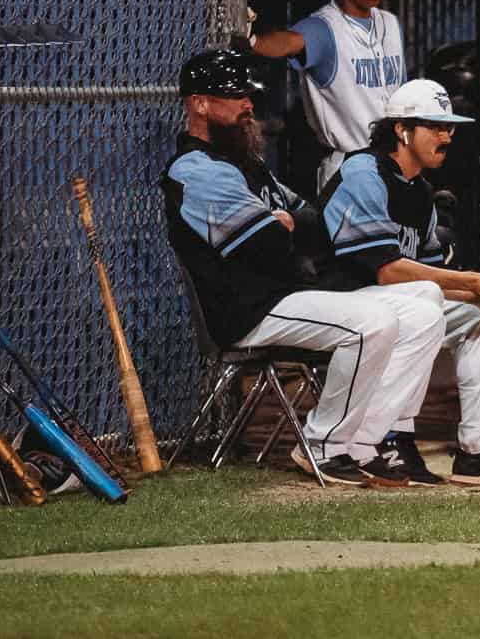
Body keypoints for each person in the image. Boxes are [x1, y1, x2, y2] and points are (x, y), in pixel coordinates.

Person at [161, 49, 445, 489]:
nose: (248, 105)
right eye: (235, 96)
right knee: (373, 322)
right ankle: (323, 445)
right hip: (248, 312)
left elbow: (316, 227)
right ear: (199, 103)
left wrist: (282, 223)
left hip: (290, 298)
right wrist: (279, 225)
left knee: (426, 303)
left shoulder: (250, 169)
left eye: (248, 95)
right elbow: (265, 244)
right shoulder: (194, 170)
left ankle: (364, 444)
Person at [319, 78, 480, 487]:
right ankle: (385, 437)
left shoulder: (420, 191)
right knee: (427, 295)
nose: (446, 136)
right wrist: (471, 278)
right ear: (401, 129)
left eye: (450, 128)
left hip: (393, 303)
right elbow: (387, 269)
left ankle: (478, 448)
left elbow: (427, 277)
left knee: (479, 311)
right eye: (434, 126)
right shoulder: (363, 171)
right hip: (338, 301)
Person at [249, 0, 406, 188]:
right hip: (349, 172)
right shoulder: (324, 28)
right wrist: (250, 39)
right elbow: (284, 43)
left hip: (395, 165)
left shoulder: (390, 24)